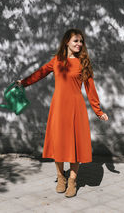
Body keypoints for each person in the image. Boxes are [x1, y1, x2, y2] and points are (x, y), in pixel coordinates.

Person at [16, 28, 109, 198]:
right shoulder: (57, 61)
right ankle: (60, 177)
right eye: (76, 41)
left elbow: (90, 88)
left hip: (76, 107)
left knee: (75, 145)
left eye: (81, 41)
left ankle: (72, 180)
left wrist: (98, 110)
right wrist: (24, 83)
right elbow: (40, 73)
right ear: (67, 42)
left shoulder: (84, 63)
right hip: (58, 107)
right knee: (58, 144)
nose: (79, 44)